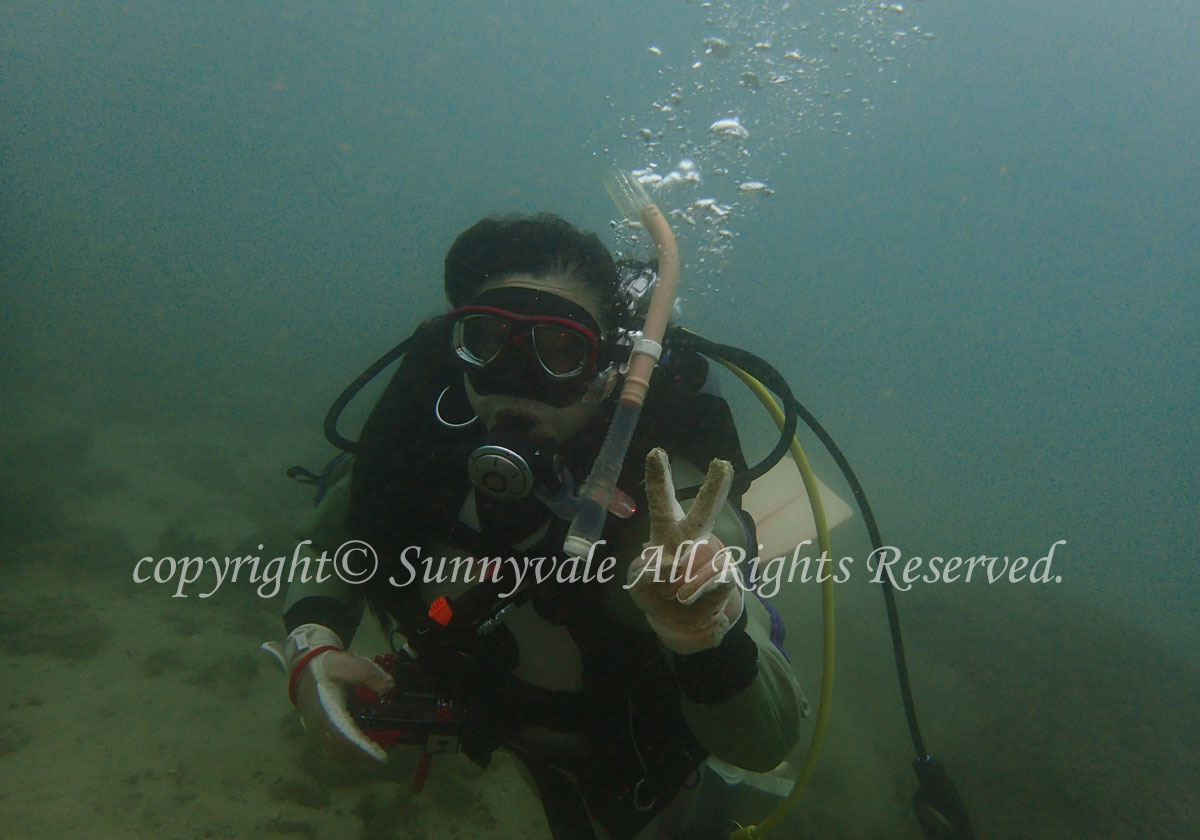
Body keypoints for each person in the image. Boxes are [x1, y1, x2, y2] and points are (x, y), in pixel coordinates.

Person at [266, 213, 806, 840]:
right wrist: (312, 645)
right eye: (487, 340)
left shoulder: (670, 511)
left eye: (558, 350)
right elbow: (331, 546)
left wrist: (704, 630)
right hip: (489, 721)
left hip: (629, 765)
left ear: (608, 368)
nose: (514, 381)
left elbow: (766, 743)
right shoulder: (415, 453)